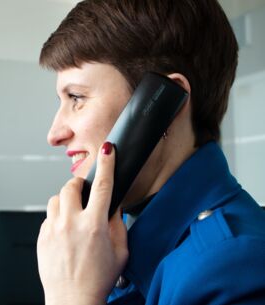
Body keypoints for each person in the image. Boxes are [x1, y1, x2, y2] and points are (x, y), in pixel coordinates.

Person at [36, 1, 265, 305]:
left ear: (164, 106)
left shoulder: (233, 269)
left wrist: (72, 296)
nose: (54, 134)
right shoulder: (116, 247)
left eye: (77, 98)